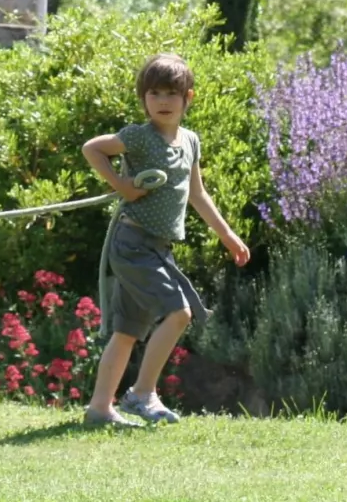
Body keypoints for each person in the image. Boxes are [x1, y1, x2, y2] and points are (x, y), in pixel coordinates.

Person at [79, 52, 251, 426]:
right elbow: (92, 148)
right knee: (179, 313)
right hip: (132, 244)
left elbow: (197, 194)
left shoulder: (190, 140)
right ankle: (141, 394)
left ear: (188, 97)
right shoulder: (139, 137)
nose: (162, 101)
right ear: (143, 99)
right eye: (153, 93)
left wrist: (228, 236)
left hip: (157, 247)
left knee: (127, 332)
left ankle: (99, 409)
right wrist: (122, 185)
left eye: (171, 93)